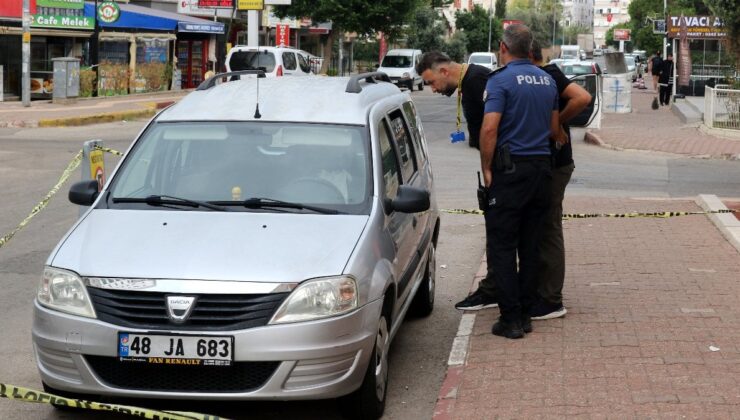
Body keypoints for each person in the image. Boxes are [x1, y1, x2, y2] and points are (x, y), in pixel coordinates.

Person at [480, 24, 560, 339]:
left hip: (510, 172)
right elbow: (555, 130)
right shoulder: (548, 81)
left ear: (502, 47)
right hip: (541, 170)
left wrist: (487, 168)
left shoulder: (500, 81)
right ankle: (525, 314)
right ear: (530, 50)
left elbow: (489, 129)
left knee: (501, 245)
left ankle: (510, 319)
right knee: (529, 246)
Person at [529, 40, 592, 320]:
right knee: (541, 225)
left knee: (549, 227)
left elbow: (582, 98)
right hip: (548, 162)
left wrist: (554, 127)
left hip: (556, 162)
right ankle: (541, 291)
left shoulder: (550, 75)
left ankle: (551, 299)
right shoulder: (541, 78)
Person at [416, 52, 492, 149]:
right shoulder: (468, 80)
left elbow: (495, 126)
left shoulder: (478, 80)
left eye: (432, 82)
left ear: (444, 72)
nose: (433, 89)